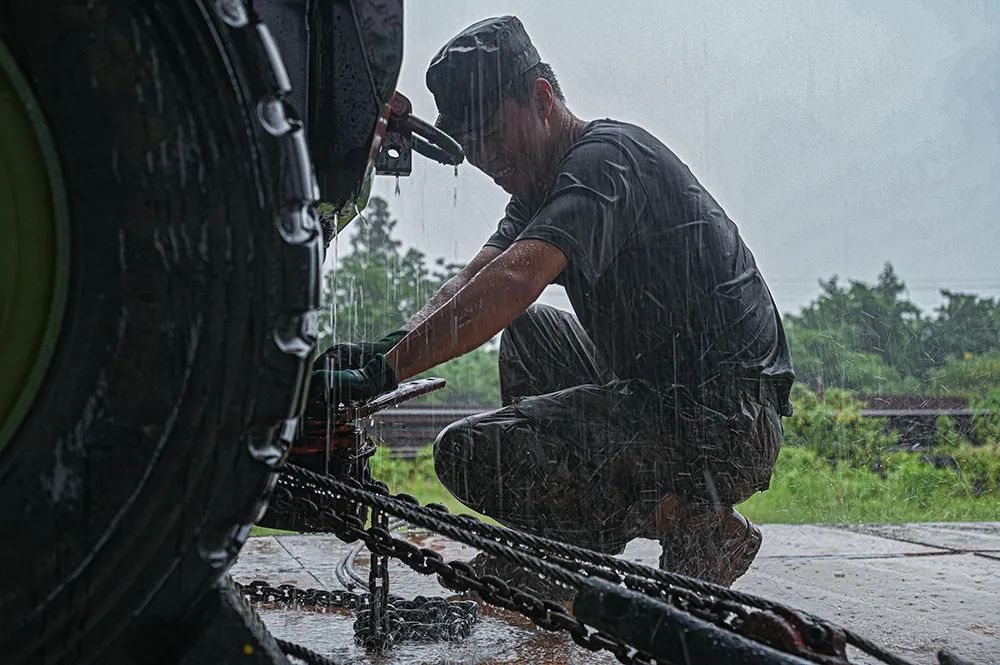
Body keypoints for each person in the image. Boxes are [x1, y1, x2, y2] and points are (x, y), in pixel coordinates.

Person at [312, 15, 794, 587]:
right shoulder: (538, 188)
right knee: (531, 332)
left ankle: (694, 524)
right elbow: (471, 284)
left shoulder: (605, 160)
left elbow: (517, 279)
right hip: (666, 394)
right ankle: (554, 554)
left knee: (467, 452)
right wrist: (381, 352)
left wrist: (386, 373)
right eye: (473, 147)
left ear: (542, 99)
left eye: (493, 135)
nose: (487, 160)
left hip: (728, 419)